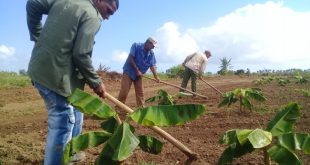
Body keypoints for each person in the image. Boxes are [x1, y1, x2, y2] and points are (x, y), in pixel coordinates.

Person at [26, 0, 119, 164]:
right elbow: (81, 55)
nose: (108, 16)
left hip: (39, 68)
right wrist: (96, 83)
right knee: (64, 121)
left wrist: (37, 35)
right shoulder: (93, 16)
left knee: (77, 109)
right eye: (109, 10)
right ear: (99, 1)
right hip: (55, 77)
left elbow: (33, 3)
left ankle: (72, 153)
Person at [117, 37, 160, 108]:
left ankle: (141, 109)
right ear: (148, 43)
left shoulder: (151, 54)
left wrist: (156, 77)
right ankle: (118, 108)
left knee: (140, 93)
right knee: (124, 91)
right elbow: (130, 58)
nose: (153, 48)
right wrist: (137, 70)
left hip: (139, 75)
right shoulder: (136, 46)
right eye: (152, 46)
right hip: (129, 72)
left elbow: (152, 66)